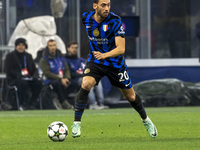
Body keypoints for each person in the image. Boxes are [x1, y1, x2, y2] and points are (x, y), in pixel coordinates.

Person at [71, 0, 157, 138]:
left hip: (115, 64)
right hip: (96, 61)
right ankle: (76, 123)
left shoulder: (115, 21)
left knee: (131, 96)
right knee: (86, 84)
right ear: (95, 6)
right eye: (103, 5)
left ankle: (145, 120)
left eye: (108, 5)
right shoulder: (86, 18)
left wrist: (104, 54)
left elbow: (121, 49)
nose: (106, 8)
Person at [65, 41, 108, 109]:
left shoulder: (81, 60)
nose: (74, 49)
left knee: (97, 80)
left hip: (85, 77)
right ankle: (92, 104)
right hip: (75, 80)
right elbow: (69, 74)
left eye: (76, 48)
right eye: (72, 48)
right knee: (87, 81)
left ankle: (101, 103)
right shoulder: (66, 60)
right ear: (68, 49)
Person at [5, 38, 43, 110]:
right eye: (19, 45)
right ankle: (21, 103)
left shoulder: (28, 56)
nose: (21, 47)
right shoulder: (10, 56)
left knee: (38, 83)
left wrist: (35, 76)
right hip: (15, 79)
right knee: (23, 83)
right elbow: (9, 70)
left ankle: (31, 103)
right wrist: (20, 75)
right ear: (16, 46)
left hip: (28, 78)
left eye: (23, 45)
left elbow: (34, 69)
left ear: (25, 46)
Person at [40, 39, 73, 109]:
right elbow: (47, 73)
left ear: (56, 46)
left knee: (74, 83)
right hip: (49, 80)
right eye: (50, 46)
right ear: (48, 47)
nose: (52, 47)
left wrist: (67, 77)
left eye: (54, 45)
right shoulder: (44, 59)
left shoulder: (61, 57)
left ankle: (58, 99)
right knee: (57, 83)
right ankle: (63, 102)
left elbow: (66, 68)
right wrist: (60, 79)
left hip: (62, 78)